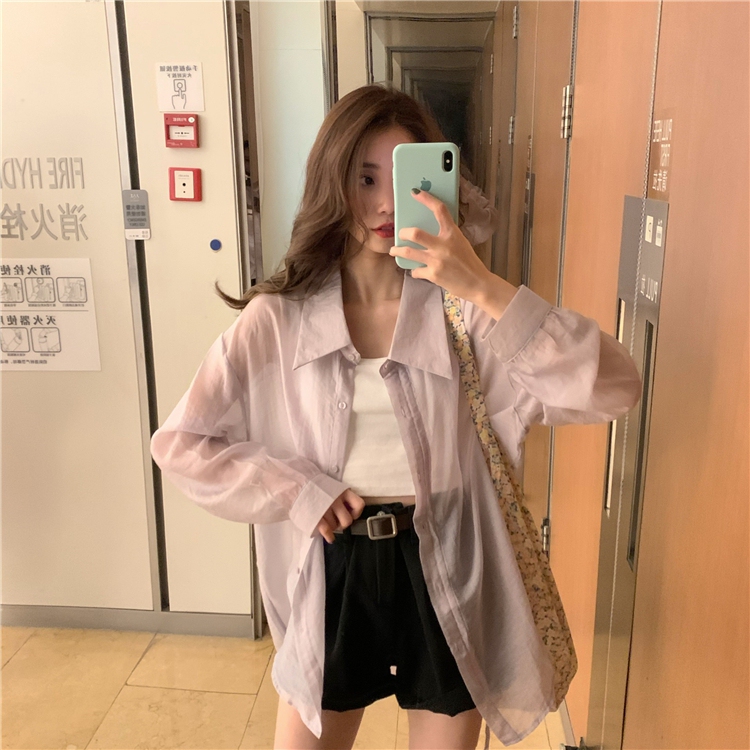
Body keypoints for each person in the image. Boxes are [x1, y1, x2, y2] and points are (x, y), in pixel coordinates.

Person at [150, 84, 642, 750]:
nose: (386, 203)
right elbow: (183, 443)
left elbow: (615, 386)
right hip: (333, 569)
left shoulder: (465, 314)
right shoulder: (279, 319)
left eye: (404, 177)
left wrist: (481, 285)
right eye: (365, 178)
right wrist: (297, 489)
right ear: (332, 183)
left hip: (449, 566)